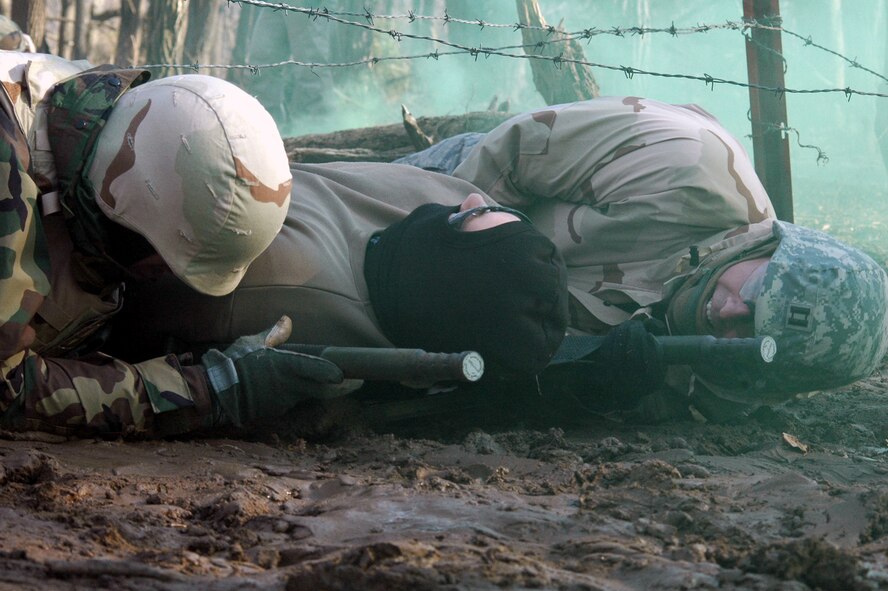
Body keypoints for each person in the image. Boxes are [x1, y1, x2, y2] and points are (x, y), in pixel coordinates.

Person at [114, 96, 888, 422]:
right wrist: (456, 253)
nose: (727, 314)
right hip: (452, 212)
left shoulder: (728, 380)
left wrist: (591, 382)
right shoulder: (687, 166)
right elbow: (510, 154)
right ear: (774, 248)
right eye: (751, 293)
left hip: (493, 334)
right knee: (260, 238)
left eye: (748, 331)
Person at [0, 51, 348, 439]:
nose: (161, 277)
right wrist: (204, 391)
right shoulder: (8, 159)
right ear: (126, 210)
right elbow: (7, 389)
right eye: (161, 262)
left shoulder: (99, 120)